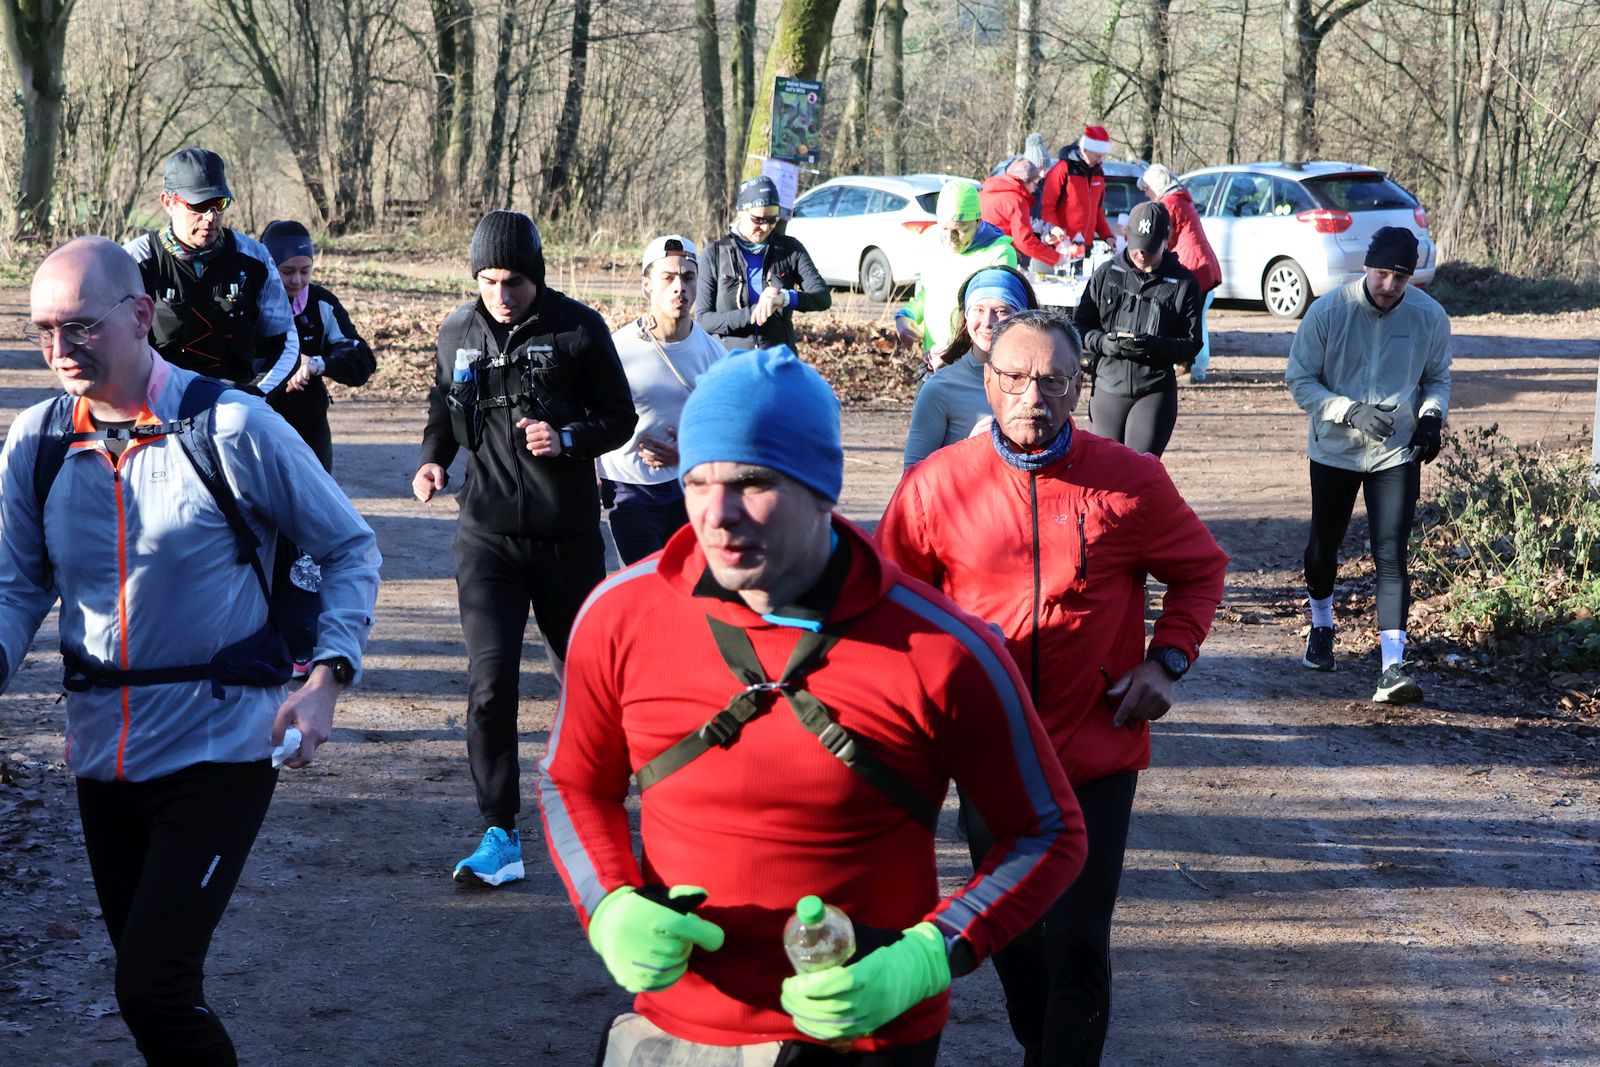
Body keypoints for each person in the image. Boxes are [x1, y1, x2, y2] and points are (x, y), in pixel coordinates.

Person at [539, 347, 1087, 1064]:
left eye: (753, 482)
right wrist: (607, 901)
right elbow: (573, 781)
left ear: (822, 487)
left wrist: (931, 954)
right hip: (678, 1034)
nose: (716, 515)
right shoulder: (619, 615)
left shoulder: (943, 647)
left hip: (867, 1038)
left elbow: (1048, 833)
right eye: (697, 481)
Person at [3, 236, 381, 1064]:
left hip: (220, 747)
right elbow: (16, 587)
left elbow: (349, 545)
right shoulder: (36, 442)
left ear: (142, 315)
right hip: (102, 756)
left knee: (155, 985)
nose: (61, 348)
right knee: (153, 989)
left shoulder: (230, 425)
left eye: (81, 326)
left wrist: (326, 675)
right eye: (44, 330)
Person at [878, 310, 1229, 1067]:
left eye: (1052, 380)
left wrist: (1167, 660)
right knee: (1009, 931)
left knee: (1077, 938)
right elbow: (890, 605)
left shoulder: (1131, 481)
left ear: (1079, 387)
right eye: (1014, 377)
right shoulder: (936, 487)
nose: (1032, 396)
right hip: (989, 753)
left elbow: (1202, 569)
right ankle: (1042, 1042)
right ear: (987, 380)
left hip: (1096, 749)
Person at [413, 210, 636, 887]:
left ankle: (607, 812)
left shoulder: (579, 329)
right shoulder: (458, 329)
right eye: (488, 281)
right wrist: (433, 459)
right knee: (490, 684)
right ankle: (500, 833)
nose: (501, 295)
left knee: (589, 684)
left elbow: (620, 418)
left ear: (535, 275)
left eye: (513, 281)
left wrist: (566, 439)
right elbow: (443, 404)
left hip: (566, 540)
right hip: (487, 539)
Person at [1285, 226, 1451, 704]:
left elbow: (1437, 378)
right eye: (1381, 274)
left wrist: (1431, 418)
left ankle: (1392, 667)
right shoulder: (1328, 311)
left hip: (1395, 451)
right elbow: (1299, 380)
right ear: (1366, 267)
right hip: (1334, 449)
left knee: (1391, 552)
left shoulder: (1429, 316)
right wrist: (1349, 410)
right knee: (1324, 547)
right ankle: (1322, 624)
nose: (1389, 286)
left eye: (1400, 278)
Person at [123, 147, 300, 394]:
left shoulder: (254, 258)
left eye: (219, 204)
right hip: (159, 400)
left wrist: (255, 395)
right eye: (199, 205)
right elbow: (110, 345)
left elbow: (285, 341)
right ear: (168, 202)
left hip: (237, 399)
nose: (210, 217)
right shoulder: (134, 261)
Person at [599, 234, 725, 564]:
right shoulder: (617, 349)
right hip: (628, 488)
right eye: (667, 278)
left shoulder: (716, 355)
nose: (679, 287)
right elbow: (590, 413)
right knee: (648, 580)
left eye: (688, 277)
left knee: (691, 583)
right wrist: (591, 475)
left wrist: (688, 452)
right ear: (647, 285)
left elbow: (729, 431)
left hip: (690, 486)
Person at [1073, 200, 1202, 457]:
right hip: (1108, 386)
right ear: (1127, 236)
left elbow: (1191, 344)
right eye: (1137, 247)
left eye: (1150, 248)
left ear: (1166, 241)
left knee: (1139, 469)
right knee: (1104, 468)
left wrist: (1151, 346)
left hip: (1153, 390)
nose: (1142, 254)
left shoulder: (1183, 283)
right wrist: (1103, 343)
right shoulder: (1107, 273)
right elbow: (1080, 326)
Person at [257, 219, 377, 471]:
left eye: (305, 271)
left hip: (309, 426)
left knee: (316, 496)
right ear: (269, 266)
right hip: (258, 422)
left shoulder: (322, 303)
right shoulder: (249, 300)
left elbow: (361, 359)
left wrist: (317, 364)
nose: (297, 280)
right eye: (287, 271)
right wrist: (290, 361)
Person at [902, 266, 1038, 469]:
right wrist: (969, 449)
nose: (988, 322)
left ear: (1023, 318)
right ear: (965, 316)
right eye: (978, 309)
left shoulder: (1042, 384)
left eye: (1001, 311)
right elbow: (913, 477)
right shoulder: (940, 388)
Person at [696, 176, 831, 351]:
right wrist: (753, 313)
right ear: (741, 212)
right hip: (730, 359)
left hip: (778, 358)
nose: (766, 227)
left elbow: (822, 297)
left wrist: (785, 298)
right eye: (758, 220)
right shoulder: (715, 253)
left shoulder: (790, 249)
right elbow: (704, 320)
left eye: (772, 219)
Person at [894, 181, 1018, 362]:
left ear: (978, 222)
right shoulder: (930, 241)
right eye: (944, 229)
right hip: (932, 357)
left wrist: (952, 354)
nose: (950, 239)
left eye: (959, 231)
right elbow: (929, 293)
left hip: (973, 363)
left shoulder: (999, 253)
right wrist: (906, 316)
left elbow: (996, 317)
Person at [1140, 164, 1221, 381]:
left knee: (1190, 321)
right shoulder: (1180, 200)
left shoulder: (1169, 204)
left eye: (1147, 189)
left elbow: (1164, 238)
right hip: (1203, 266)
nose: (1146, 194)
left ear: (1156, 186)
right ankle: (1194, 367)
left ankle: (1191, 367)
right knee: (1197, 320)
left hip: (1194, 268)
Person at [1040, 126, 1116, 261]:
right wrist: (1054, 230)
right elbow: (1046, 206)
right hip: (1061, 246)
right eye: (1098, 156)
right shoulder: (1063, 169)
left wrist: (1108, 237)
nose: (1100, 161)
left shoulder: (1099, 173)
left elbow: (1097, 212)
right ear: (1085, 149)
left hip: (1085, 247)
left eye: (1102, 156)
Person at [981, 159, 1063, 271]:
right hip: (999, 257)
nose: (1035, 189)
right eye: (1035, 183)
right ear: (1025, 181)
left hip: (980, 253)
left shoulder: (986, 192)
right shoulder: (1017, 200)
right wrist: (1057, 258)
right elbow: (1025, 241)